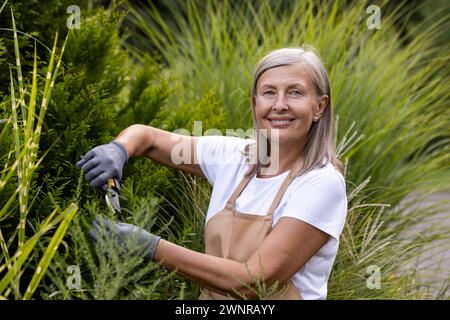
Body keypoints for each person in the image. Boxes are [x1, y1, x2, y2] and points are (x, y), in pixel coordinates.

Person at [76, 47, 348, 300]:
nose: (279, 104)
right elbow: (148, 138)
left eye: (295, 92)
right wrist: (119, 149)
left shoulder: (320, 183)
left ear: (320, 106)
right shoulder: (235, 157)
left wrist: (151, 247)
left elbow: (253, 281)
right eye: (268, 92)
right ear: (255, 103)